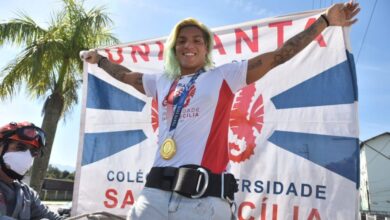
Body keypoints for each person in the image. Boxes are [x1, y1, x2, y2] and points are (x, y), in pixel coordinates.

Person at [82, 2, 360, 219]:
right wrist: (101, 61)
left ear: (206, 49)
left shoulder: (224, 76)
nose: (188, 45)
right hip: (152, 198)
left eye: (196, 41)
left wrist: (324, 21)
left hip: (203, 204)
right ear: (173, 48)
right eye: (182, 40)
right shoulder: (161, 81)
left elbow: (279, 56)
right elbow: (125, 76)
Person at [0, 121, 63, 220]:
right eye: (20, 147)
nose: (27, 157)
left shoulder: (27, 193)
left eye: (33, 153)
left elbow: (52, 217)